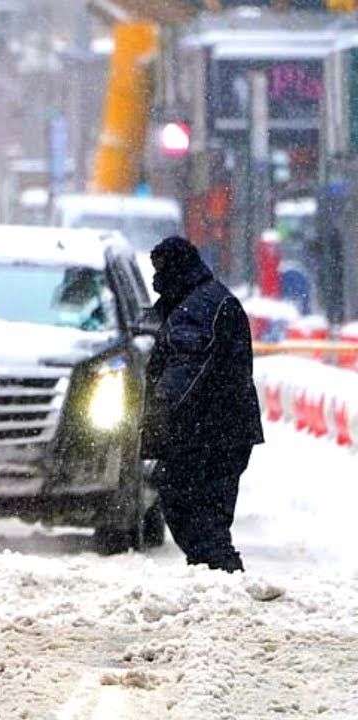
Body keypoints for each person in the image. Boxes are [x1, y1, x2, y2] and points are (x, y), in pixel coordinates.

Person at [141, 235, 263, 573]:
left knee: (199, 518)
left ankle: (225, 580)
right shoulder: (200, 300)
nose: (155, 281)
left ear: (178, 268)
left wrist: (155, 415)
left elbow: (185, 371)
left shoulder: (197, 308)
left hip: (208, 435)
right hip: (217, 432)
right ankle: (216, 580)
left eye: (161, 270)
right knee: (200, 517)